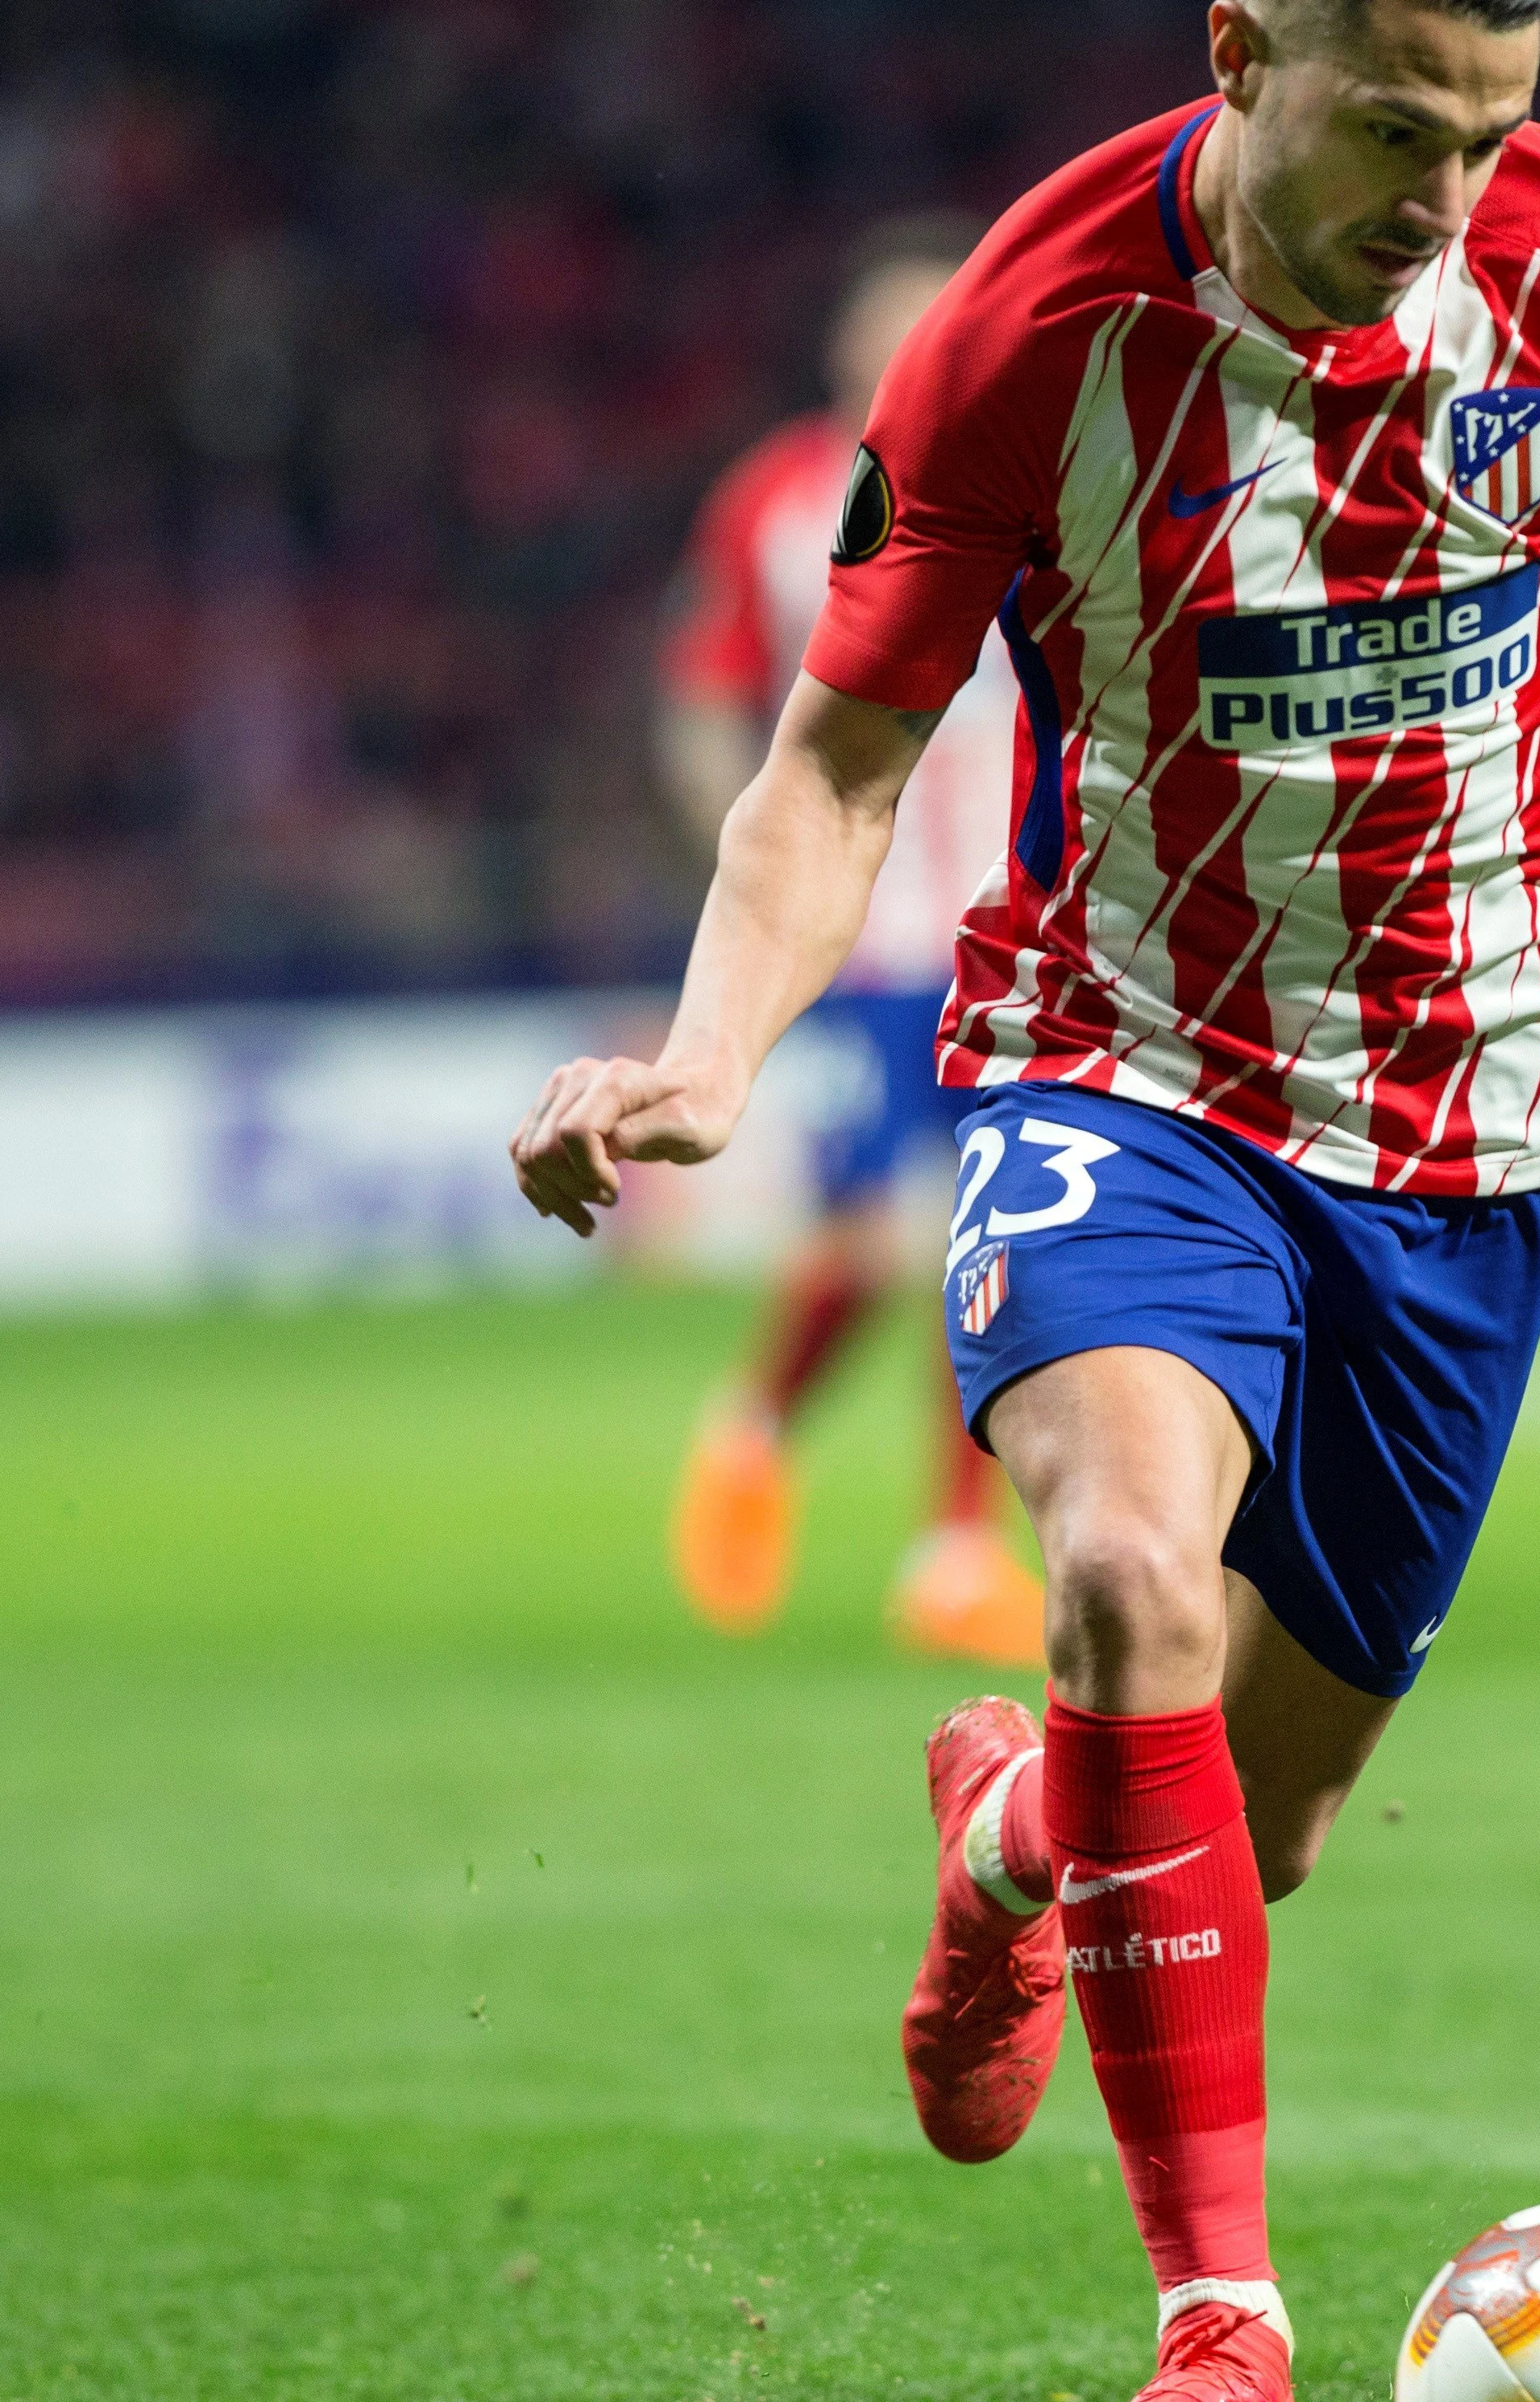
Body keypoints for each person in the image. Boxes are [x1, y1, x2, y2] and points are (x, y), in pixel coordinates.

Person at [507, 4, 1540, 2394]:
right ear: (1245, 53)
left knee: (1245, 1834)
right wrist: (706, 1053)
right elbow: (837, 760)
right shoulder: (1033, 324)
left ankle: (1012, 1839)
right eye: (1396, 126)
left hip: (1476, 1137)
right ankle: (1225, 2320)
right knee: (1118, 1570)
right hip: (1125, 1060)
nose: (1447, 186)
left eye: (1488, 129)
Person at [657, 213, 1045, 1667]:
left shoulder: (1030, 474)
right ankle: (752, 1428)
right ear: (842, 345)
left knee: (990, 1238)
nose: (910, 347)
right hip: (850, 936)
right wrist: (744, 873)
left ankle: (952, 1552)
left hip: (1010, 925)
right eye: (888, 322)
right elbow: (704, 694)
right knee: (867, 1247)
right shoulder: (772, 501)